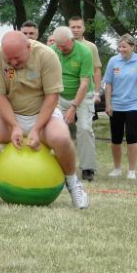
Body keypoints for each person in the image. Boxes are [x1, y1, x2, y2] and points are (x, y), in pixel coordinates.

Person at [0, 31, 89, 208]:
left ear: (28, 46)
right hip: (12, 114)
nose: (12, 62)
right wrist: (13, 125)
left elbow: (52, 97)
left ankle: (73, 183)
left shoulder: (47, 56)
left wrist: (36, 129)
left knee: (62, 138)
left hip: (43, 114)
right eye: (8, 58)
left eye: (17, 58)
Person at [52, 26, 94, 179]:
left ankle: (88, 168)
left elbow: (84, 84)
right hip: (60, 95)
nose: (60, 48)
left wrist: (73, 107)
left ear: (72, 40)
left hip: (82, 96)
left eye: (63, 45)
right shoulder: (54, 50)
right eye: (58, 45)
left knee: (84, 128)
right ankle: (57, 165)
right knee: (56, 129)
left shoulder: (85, 53)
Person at [104, 34, 137, 179]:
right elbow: (108, 83)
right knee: (116, 138)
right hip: (116, 105)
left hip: (134, 104)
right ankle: (117, 168)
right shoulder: (113, 61)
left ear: (132, 47)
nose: (121, 50)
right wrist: (108, 103)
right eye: (119, 46)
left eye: (124, 46)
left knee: (131, 136)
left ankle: (132, 170)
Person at [68, 16, 101, 180]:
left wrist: (96, 91)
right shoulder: (61, 46)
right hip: (65, 93)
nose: (75, 30)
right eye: (72, 27)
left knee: (85, 129)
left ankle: (88, 168)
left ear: (83, 28)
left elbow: (96, 70)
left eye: (78, 27)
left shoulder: (90, 47)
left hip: (86, 92)